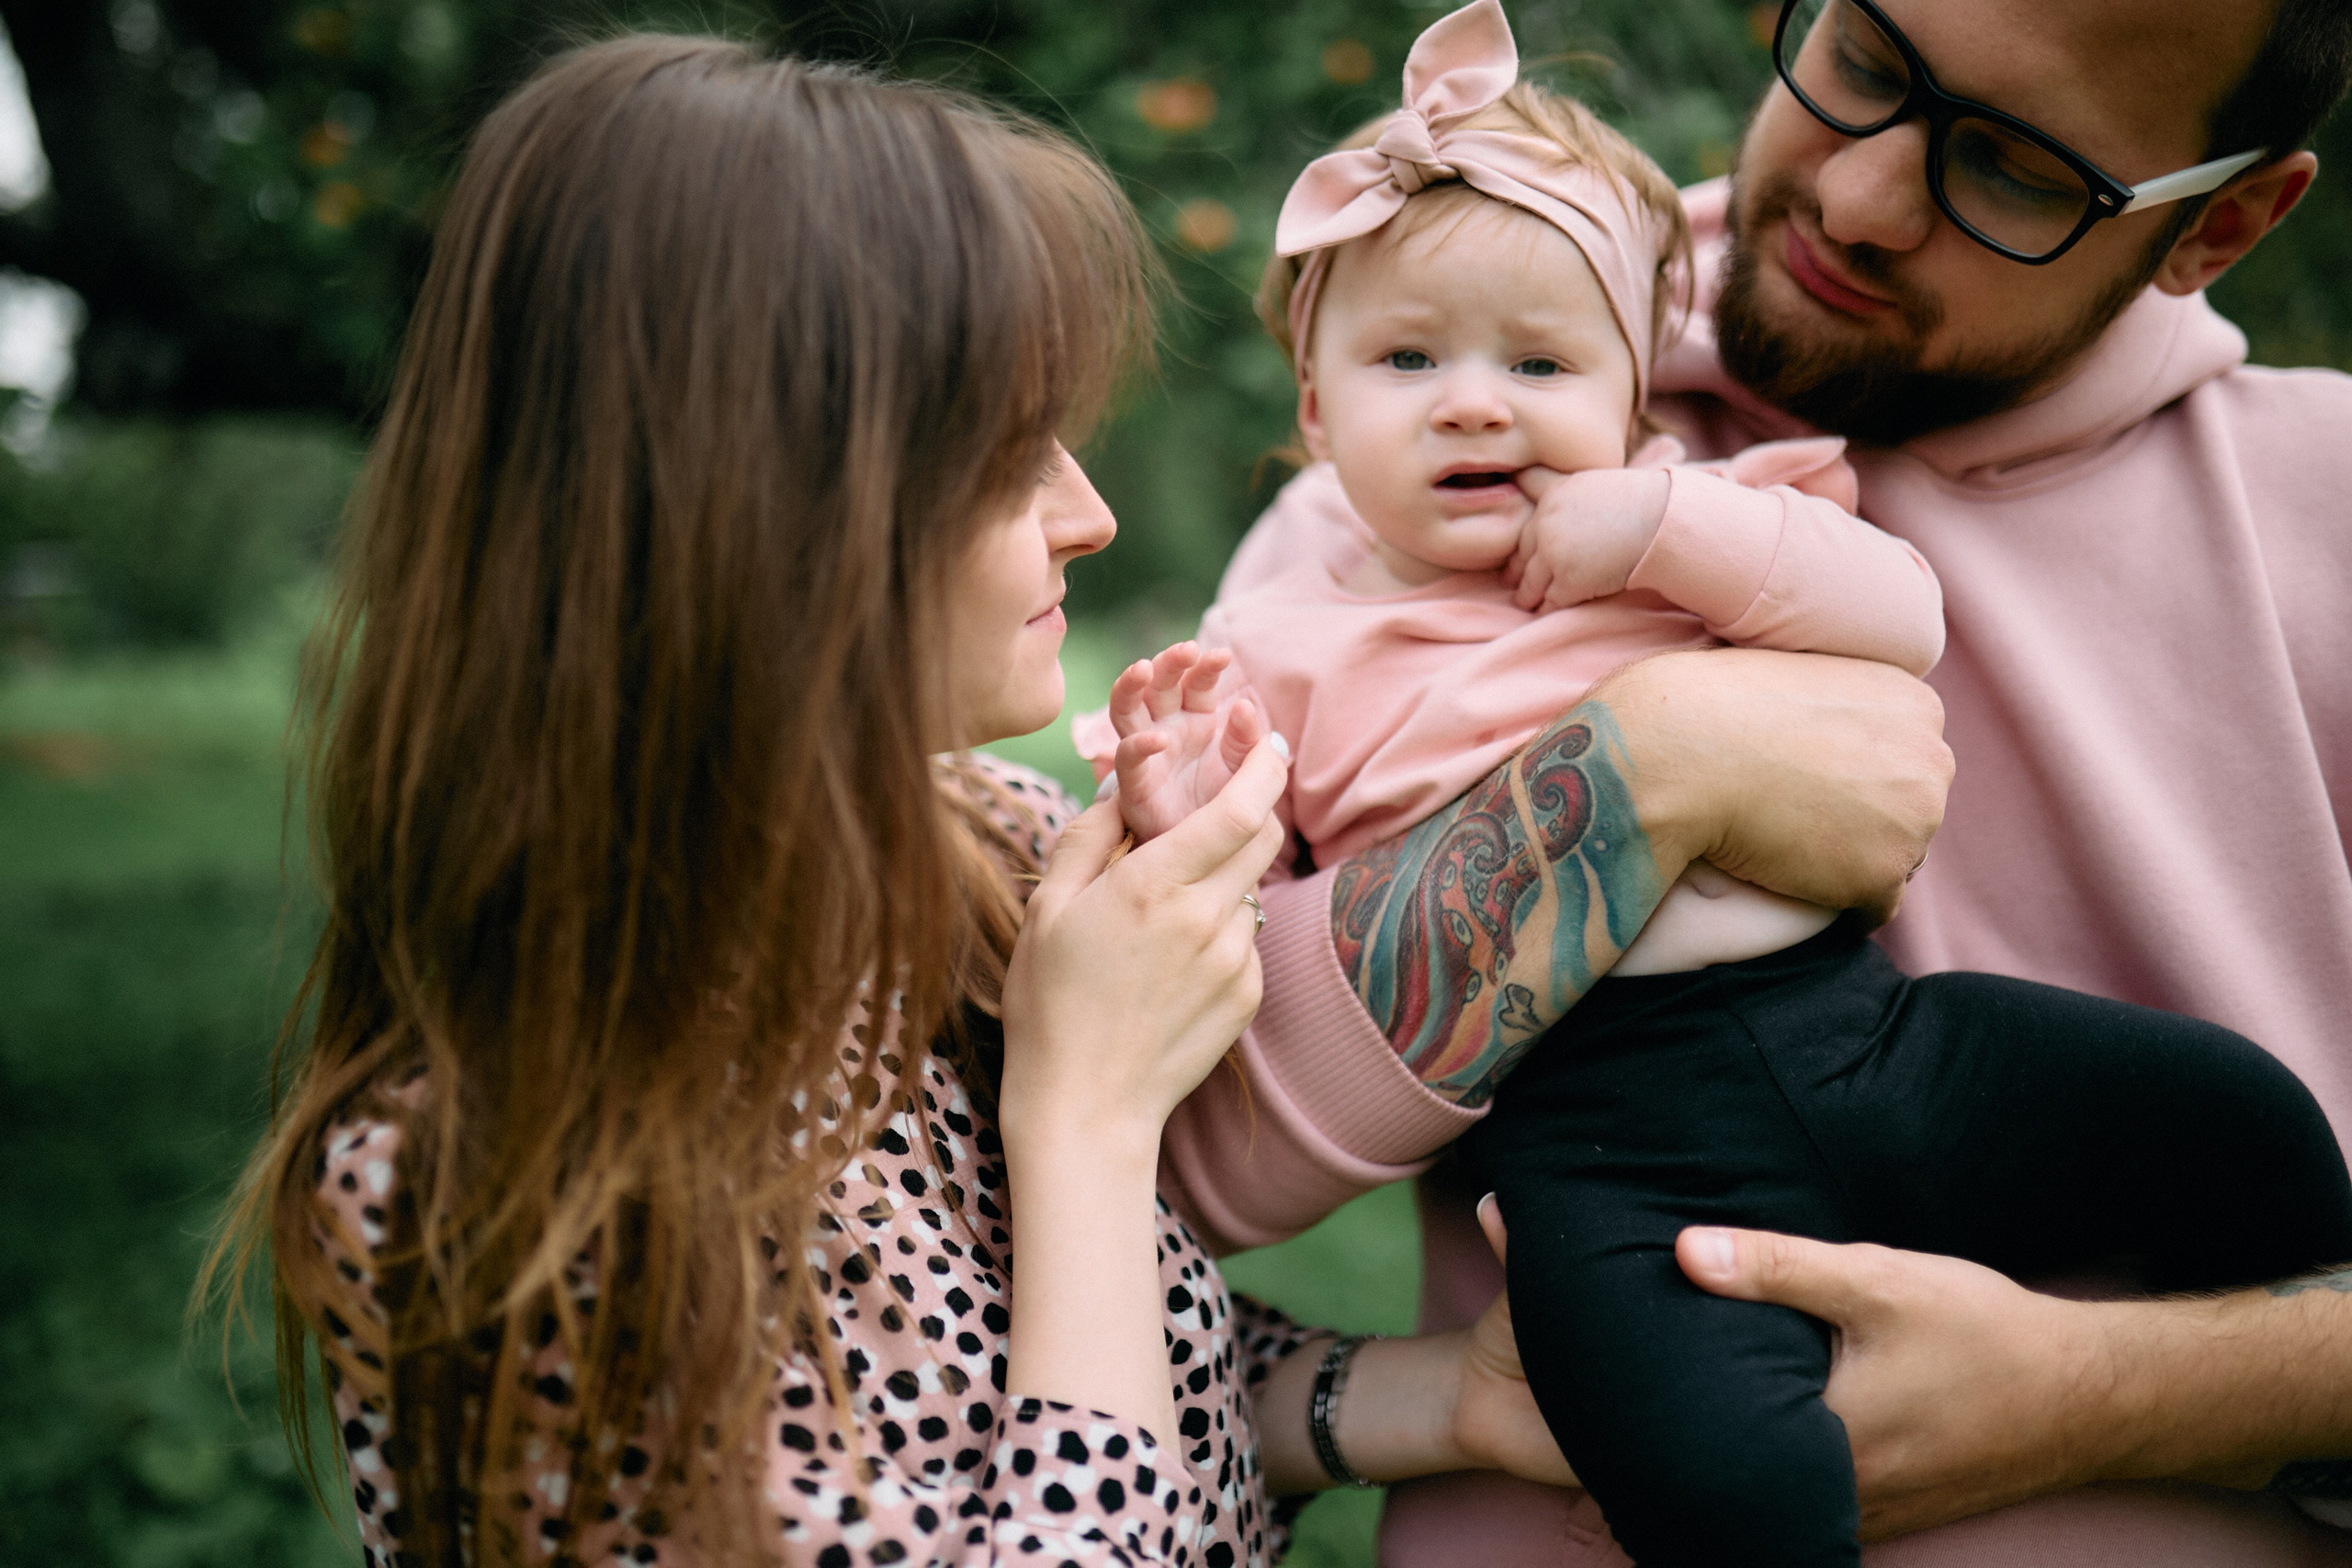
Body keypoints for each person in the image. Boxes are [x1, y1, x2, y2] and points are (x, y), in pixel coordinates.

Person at [200, 36, 1623, 1566]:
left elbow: (1076, 1402)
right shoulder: (485, 1194)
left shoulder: (966, 854)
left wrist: (1441, 1403)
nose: (1092, 514)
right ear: (768, 513)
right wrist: (1084, 1118)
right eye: (1013, 459)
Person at [1091, 7, 2352, 1563]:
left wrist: (2121, 1390)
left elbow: (1881, 604)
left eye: (2017, 171)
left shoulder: (2325, 512)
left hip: (1880, 1053)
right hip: (1610, 1165)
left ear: (2219, 223)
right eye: (1869, 66)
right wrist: (1644, 779)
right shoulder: (1365, 527)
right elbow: (1183, 1142)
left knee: (2235, 1128)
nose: (1862, 199)